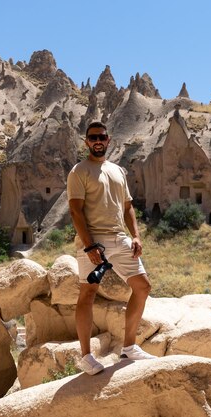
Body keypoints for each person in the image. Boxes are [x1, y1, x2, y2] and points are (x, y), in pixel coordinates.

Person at [67, 121, 156, 375]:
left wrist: (136, 236)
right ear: (86, 142)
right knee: (88, 293)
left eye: (101, 137)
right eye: (92, 137)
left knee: (143, 286)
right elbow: (75, 210)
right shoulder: (79, 171)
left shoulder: (117, 171)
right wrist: (88, 245)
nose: (97, 141)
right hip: (95, 242)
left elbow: (127, 206)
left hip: (120, 240)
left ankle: (129, 347)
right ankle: (85, 356)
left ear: (108, 140)